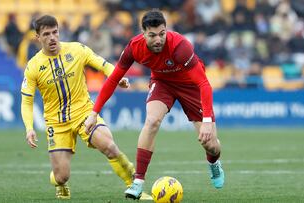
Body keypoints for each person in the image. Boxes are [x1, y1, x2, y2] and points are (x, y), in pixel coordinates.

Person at [85, 9, 225, 200]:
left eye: (162, 34)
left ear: (166, 30)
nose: (158, 39)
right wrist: (94, 112)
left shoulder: (180, 46)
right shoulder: (134, 47)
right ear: (143, 34)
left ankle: (214, 163)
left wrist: (207, 120)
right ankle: (138, 182)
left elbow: (203, 83)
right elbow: (112, 80)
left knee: (211, 145)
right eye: (152, 35)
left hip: (190, 86)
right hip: (162, 82)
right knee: (151, 121)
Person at [20, 15, 138, 200]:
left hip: (84, 113)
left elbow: (102, 63)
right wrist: (29, 128)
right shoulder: (33, 66)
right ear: (38, 37)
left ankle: (134, 184)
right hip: (57, 123)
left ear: (59, 32)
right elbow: (26, 101)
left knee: (109, 145)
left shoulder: (76, 49)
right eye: (46, 34)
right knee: (61, 176)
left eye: (55, 32)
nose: (52, 37)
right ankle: (60, 183)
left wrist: (117, 77)